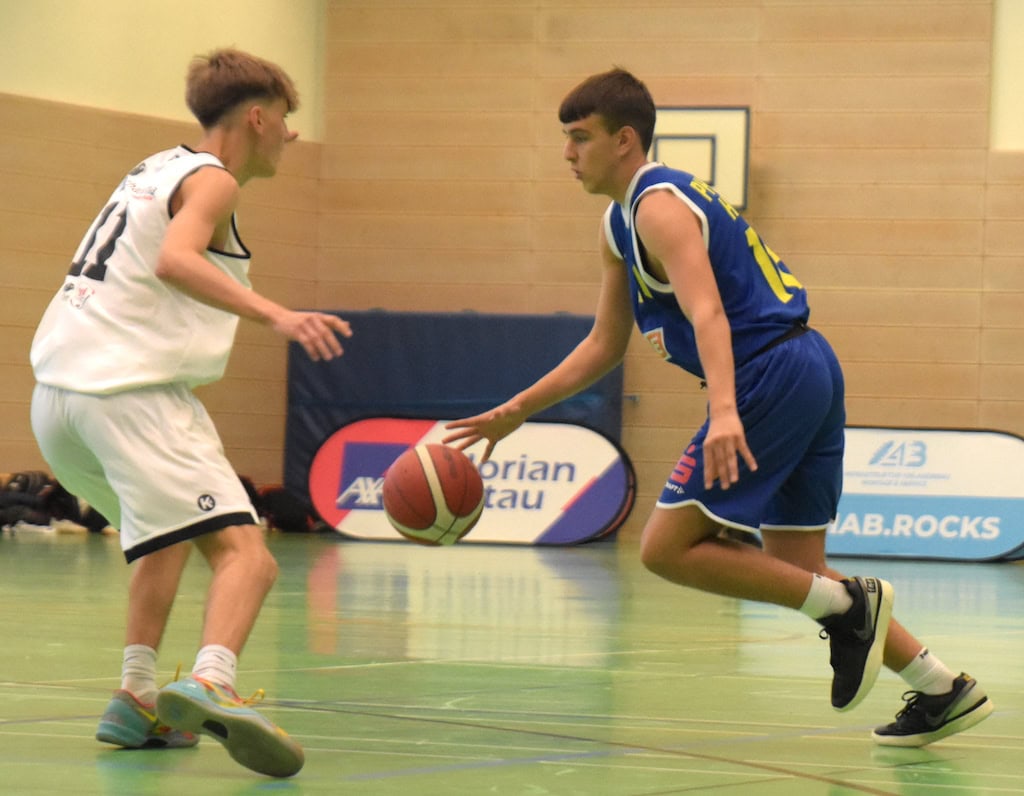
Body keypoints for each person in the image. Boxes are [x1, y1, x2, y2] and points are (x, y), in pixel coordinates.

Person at [444, 68, 993, 747]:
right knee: (799, 568)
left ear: (624, 140)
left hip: (770, 371)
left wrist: (727, 410)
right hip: (806, 364)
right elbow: (605, 344)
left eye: (579, 138)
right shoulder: (620, 225)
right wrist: (518, 408)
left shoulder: (658, 204)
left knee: (665, 550)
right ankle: (943, 688)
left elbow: (707, 310)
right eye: (564, 139)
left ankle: (852, 606)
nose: (568, 153)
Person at [29, 48, 351, 777]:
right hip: (129, 395)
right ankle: (213, 681)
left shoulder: (152, 168)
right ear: (259, 117)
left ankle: (136, 696)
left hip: (57, 402)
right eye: (289, 122)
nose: (293, 138)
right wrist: (279, 315)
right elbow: (177, 259)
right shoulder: (212, 181)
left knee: (165, 534)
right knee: (248, 554)